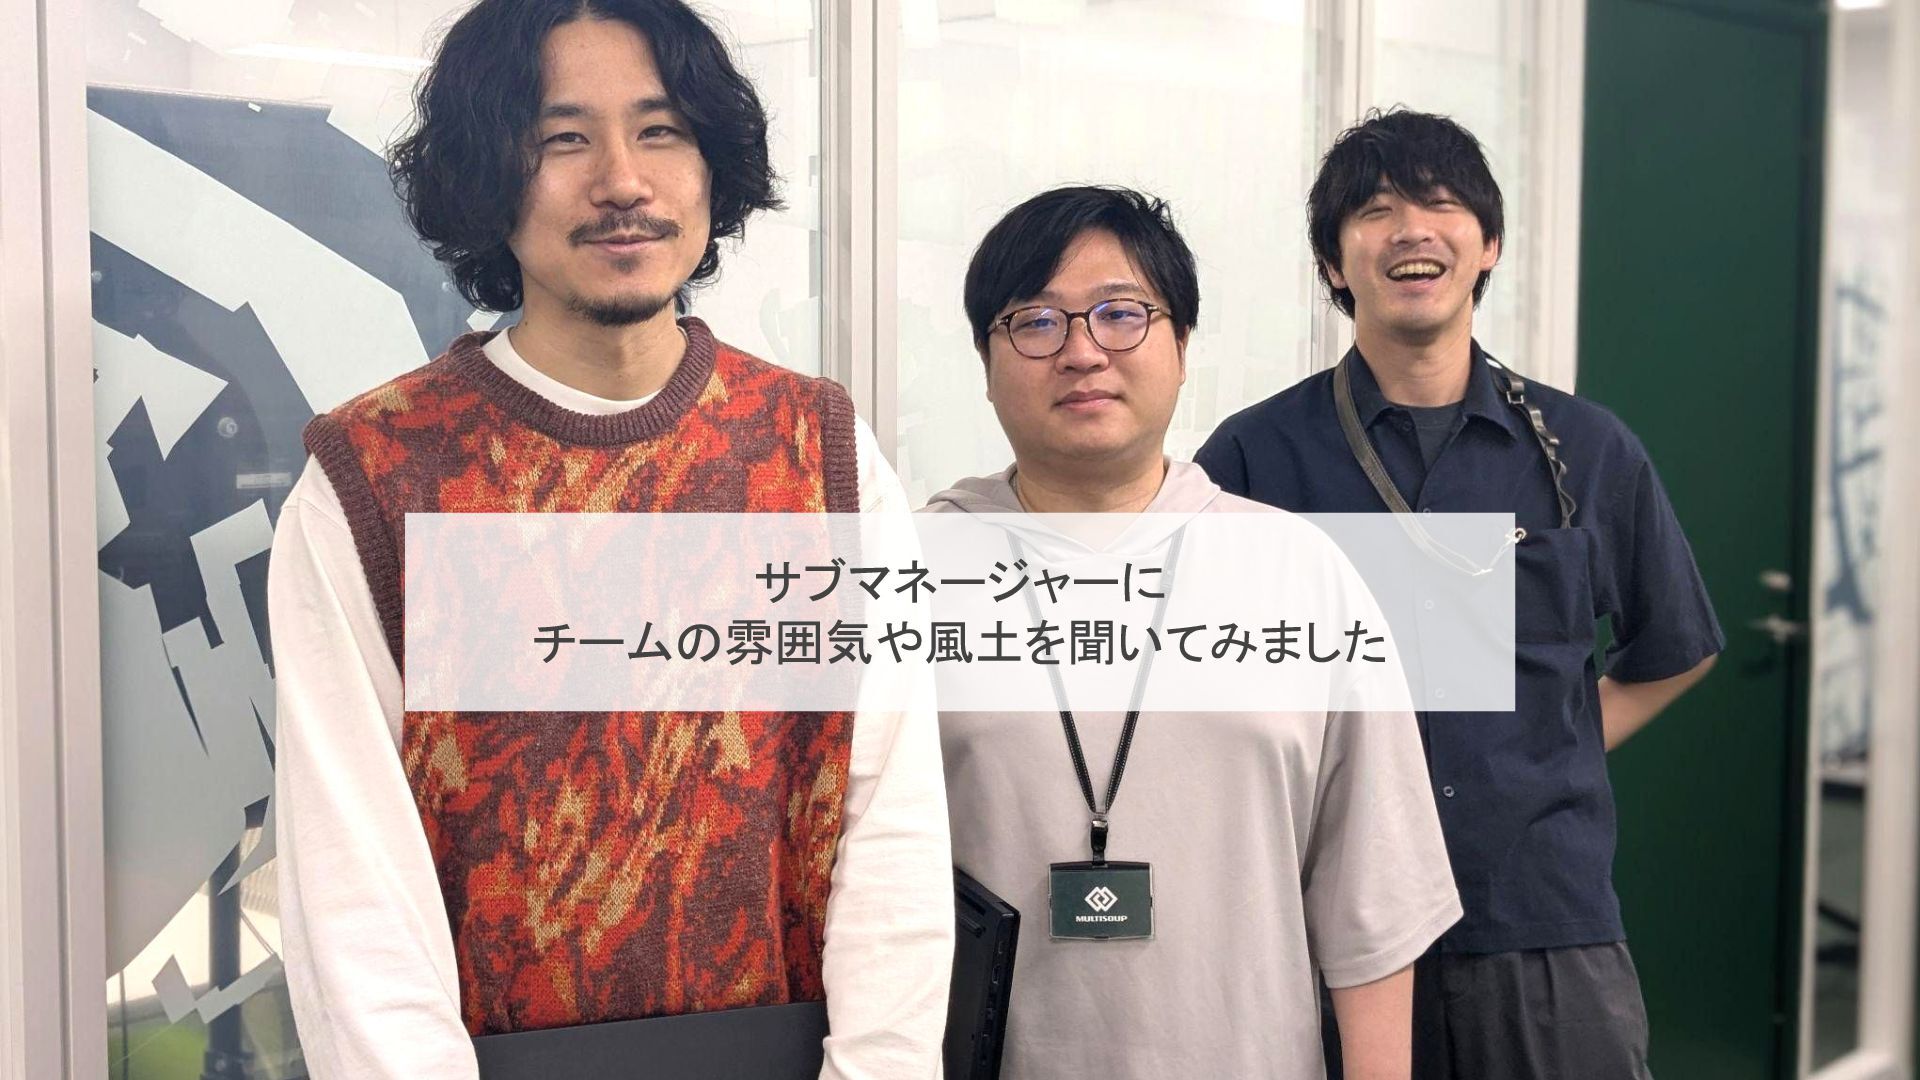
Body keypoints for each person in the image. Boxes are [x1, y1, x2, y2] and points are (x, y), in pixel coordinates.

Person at [266, 2, 951, 1076]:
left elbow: (890, 821)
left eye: (661, 129)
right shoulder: (376, 477)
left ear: (713, 165)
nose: (623, 180)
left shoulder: (819, 453)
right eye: (562, 138)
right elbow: (355, 891)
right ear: (487, 177)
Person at [1195, 109, 1723, 1079]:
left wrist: (1549, 745)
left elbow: (1674, 648)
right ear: (1331, 264)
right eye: (1376, 210)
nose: (1412, 230)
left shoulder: (1586, 448)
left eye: (1441, 204)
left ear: (1489, 246)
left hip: (1540, 919)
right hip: (1322, 928)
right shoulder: (1254, 457)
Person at [926, 185, 1461, 1080]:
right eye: (1036, 323)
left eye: (1121, 314)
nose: (1082, 351)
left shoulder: (1300, 571)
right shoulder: (911, 576)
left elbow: (1373, 899)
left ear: (1181, 348)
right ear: (986, 362)